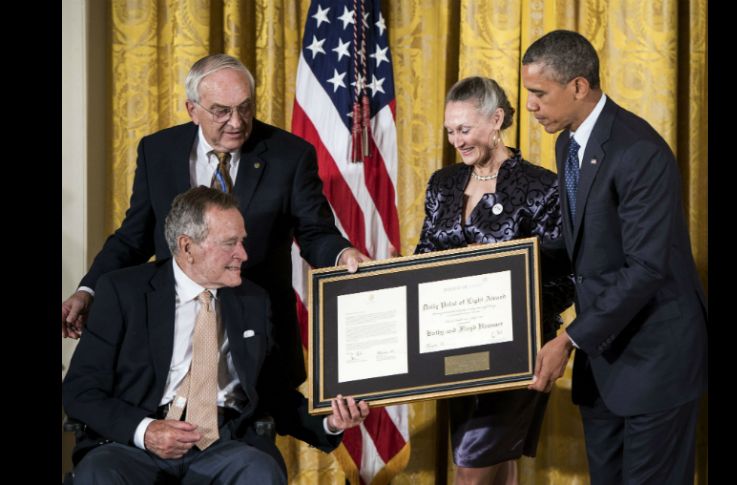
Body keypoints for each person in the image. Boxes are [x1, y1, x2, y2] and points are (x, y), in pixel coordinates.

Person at [61, 53, 368, 388]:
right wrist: (88, 289)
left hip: (258, 335)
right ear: (193, 109)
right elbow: (134, 236)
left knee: (253, 438)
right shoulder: (158, 151)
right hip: (173, 333)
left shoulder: (289, 155)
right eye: (221, 111)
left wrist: (342, 255)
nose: (236, 122)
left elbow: (315, 231)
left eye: (245, 107)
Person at [62, 187, 369, 484]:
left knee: (260, 471)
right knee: (99, 473)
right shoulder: (123, 291)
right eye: (230, 243)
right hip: (134, 445)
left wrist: (329, 422)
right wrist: (146, 431)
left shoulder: (254, 301)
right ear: (187, 247)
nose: (243, 254)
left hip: (224, 443)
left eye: (243, 241)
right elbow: (80, 391)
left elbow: (273, 391)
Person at [522, 30, 708, 484]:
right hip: (604, 365)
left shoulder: (638, 151)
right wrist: (504, 265)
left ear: (579, 87)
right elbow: (583, 245)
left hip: (656, 364)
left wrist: (568, 340)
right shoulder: (568, 143)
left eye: (538, 94)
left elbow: (645, 268)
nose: (530, 106)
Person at [415, 76, 574, 485]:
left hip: (515, 354)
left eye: (464, 130)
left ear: (496, 120)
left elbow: (566, 279)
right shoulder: (443, 184)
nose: (456, 140)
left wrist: (496, 285)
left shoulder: (541, 188)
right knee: (497, 467)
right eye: (450, 131)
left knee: (471, 468)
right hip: (451, 352)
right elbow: (423, 257)